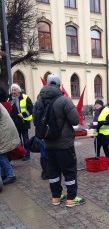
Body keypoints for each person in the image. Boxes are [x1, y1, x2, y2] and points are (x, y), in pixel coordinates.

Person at [33, 74, 86, 208]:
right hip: (64, 144)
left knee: (53, 172)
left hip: (48, 143)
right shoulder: (64, 100)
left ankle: (56, 197)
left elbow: (35, 120)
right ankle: (71, 199)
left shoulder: (38, 101)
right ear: (58, 85)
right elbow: (75, 120)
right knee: (69, 171)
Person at [8, 83, 33, 161]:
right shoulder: (9, 99)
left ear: (18, 90)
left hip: (23, 122)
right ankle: (21, 154)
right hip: (14, 123)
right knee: (18, 140)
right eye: (12, 90)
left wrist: (24, 114)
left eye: (15, 90)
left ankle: (27, 154)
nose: (13, 91)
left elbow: (31, 108)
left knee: (25, 139)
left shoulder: (25, 97)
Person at [0, 101, 20, 185]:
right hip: (6, 131)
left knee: (1, 154)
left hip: (4, 132)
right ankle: (4, 174)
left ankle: (10, 175)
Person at [89, 99, 109, 165]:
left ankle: (108, 161)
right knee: (97, 147)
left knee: (105, 147)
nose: (96, 106)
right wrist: (91, 125)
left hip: (105, 133)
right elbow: (95, 122)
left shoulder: (106, 111)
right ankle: (98, 161)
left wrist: (102, 123)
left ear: (101, 105)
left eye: (98, 104)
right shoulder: (96, 112)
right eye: (95, 104)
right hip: (98, 133)